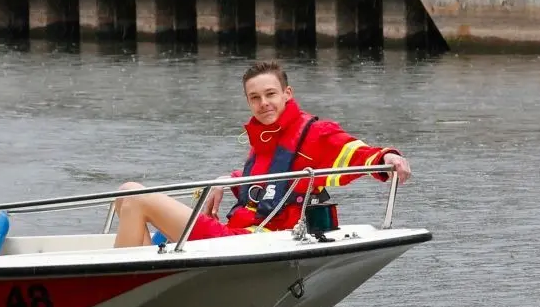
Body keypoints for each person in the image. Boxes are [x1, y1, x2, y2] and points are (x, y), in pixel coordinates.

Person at [112, 61, 412, 248]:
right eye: (255, 98)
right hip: (234, 234)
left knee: (139, 197)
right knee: (126, 192)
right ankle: (139, 276)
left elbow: (354, 154)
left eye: (270, 94)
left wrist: (387, 158)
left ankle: (118, 289)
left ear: (287, 94)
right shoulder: (264, 139)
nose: (263, 103)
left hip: (252, 241)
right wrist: (225, 180)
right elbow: (259, 182)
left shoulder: (316, 133)